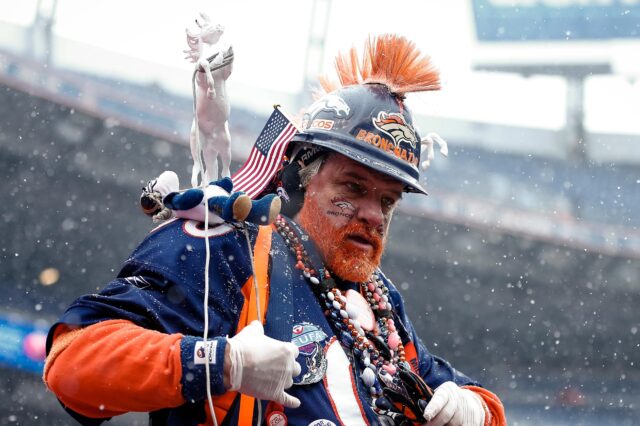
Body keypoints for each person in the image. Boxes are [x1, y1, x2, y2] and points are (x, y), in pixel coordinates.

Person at [43, 34, 506, 426]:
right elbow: (72, 361)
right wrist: (219, 362)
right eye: (353, 187)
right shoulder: (226, 244)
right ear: (299, 179)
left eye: (388, 201)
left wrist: (478, 411)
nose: (373, 214)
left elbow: (459, 391)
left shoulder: (380, 300)